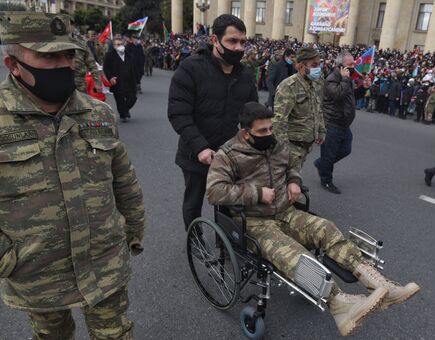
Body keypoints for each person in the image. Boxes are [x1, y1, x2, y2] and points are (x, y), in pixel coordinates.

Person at [207, 102, 420, 337]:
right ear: (246, 132)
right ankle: (340, 305)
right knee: (294, 254)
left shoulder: (276, 144)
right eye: (262, 131)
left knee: (326, 229)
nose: (269, 134)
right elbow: (215, 192)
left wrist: (294, 181)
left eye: (270, 128)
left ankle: (379, 285)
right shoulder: (229, 154)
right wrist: (256, 193)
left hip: (286, 212)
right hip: (254, 222)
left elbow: (292, 165)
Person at [0, 12, 145, 339]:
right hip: (37, 275)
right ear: (13, 65)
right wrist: (6, 259)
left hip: (104, 263)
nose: (63, 64)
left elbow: (124, 178)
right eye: (49, 57)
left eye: (67, 54)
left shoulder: (97, 112)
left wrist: (132, 229)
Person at [167, 14, 258, 230]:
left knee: (229, 202)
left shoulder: (245, 75)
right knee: (193, 201)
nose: (238, 47)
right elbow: (179, 114)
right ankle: (195, 239)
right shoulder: (191, 68)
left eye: (242, 42)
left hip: (229, 154)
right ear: (215, 40)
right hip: (195, 153)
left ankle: (227, 243)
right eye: (232, 41)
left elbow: (251, 113)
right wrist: (200, 147)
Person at [273, 47, 325, 171]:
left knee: (295, 178)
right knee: (286, 182)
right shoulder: (289, 86)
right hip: (292, 146)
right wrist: (283, 150)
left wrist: (321, 130)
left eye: (319, 64)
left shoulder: (314, 83)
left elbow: (317, 109)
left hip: (306, 146)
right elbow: (279, 120)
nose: (318, 68)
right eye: (314, 65)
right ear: (301, 66)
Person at [314, 51, 355, 194]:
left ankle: (321, 164)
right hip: (332, 123)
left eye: (353, 63)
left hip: (344, 123)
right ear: (341, 66)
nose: (353, 66)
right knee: (329, 154)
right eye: (350, 64)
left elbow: (350, 98)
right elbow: (338, 95)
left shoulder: (347, 79)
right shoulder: (332, 79)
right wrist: (345, 80)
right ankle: (326, 180)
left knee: (346, 149)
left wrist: (364, 87)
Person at [103, 37, 138, 123]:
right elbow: (106, 68)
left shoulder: (129, 55)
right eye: (118, 44)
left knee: (132, 98)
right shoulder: (109, 55)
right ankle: (123, 115)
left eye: (122, 44)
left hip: (129, 82)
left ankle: (124, 110)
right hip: (117, 82)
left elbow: (133, 69)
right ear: (114, 46)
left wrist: (136, 81)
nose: (120, 46)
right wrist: (110, 77)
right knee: (120, 100)